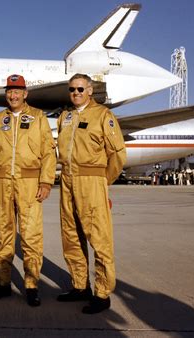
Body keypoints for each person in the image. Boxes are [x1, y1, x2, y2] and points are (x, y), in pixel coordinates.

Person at [0, 74, 56, 307]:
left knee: (31, 235)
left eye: (17, 91)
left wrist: (46, 182)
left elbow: (48, 152)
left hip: (29, 183)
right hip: (4, 183)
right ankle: (2, 283)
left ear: (25, 94)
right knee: (3, 233)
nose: (13, 95)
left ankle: (32, 285)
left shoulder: (38, 117)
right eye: (9, 91)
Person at [56, 73, 126, 314]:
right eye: (72, 89)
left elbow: (117, 154)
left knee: (99, 238)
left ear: (90, 90)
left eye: (80, 89)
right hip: (66, 180)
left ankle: (102, 292)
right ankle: (79, 286)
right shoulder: (65, 117)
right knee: (71, 236)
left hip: (91, 180)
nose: (75, 93)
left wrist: (103, 181)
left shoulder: (103, 116)